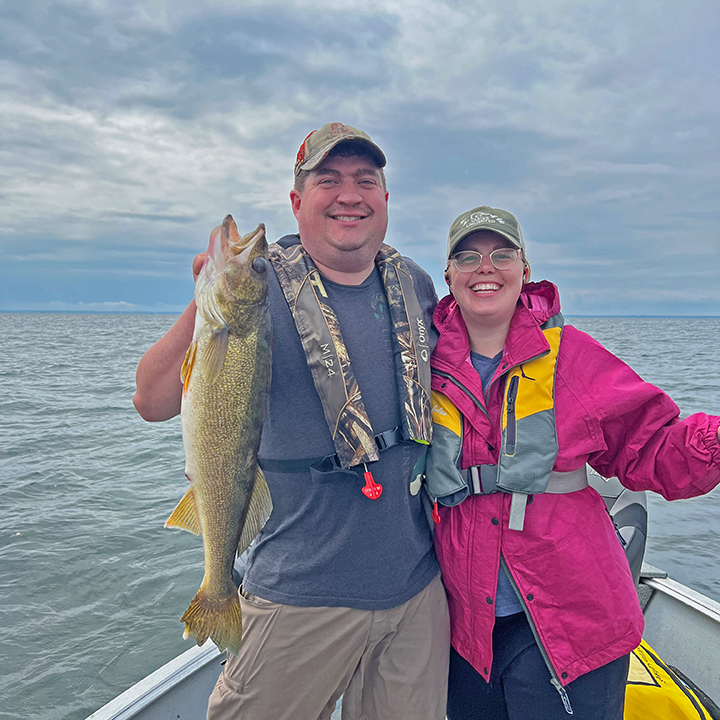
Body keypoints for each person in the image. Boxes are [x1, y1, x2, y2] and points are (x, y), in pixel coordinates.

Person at [133, 122, 450, 720]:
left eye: (365, 181)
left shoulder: (416, 284)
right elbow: (151, 401)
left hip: (415, 591)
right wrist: (208, 294)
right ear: (298, 202)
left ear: (385, 199)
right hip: (301, 593)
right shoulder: (261, 281)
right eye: (327, 180)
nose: (349, 195)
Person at [423, 206, 720, 720]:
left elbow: (654, 450)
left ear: (525, 268)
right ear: (448, 275)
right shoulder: (421, 365)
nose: (485, 267)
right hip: (466, 632)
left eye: (502, 254)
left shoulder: (572, 356)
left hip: (574, 621)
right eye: (467, 256)